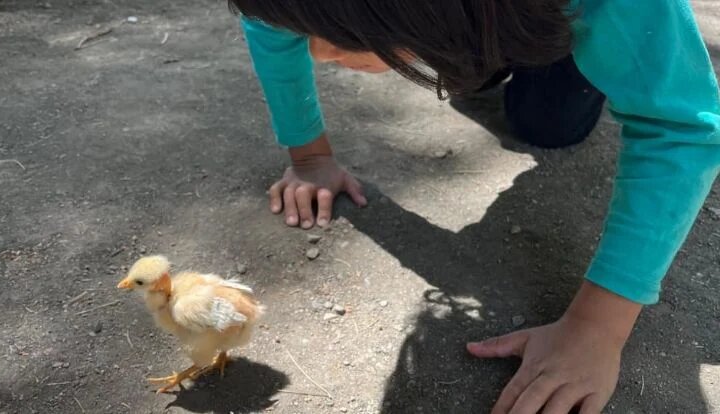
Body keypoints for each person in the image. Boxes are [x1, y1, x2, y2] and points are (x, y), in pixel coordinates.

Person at [228, 1, 720, 412]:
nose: (317, 53)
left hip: (542, 15)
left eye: (336, 32)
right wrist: (310, 155)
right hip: (476, 17)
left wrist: (599, 325)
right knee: (468, 74)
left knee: (546, 124)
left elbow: (680, 127)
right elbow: (272, 16)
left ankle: (517, 54)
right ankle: (474, 57)